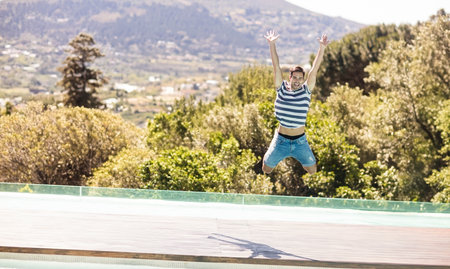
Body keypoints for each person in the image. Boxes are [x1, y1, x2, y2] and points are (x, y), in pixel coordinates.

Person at [262, 29, 329, 175]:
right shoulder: (281, 88)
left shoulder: (306, 91)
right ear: (290, 77)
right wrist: (272, 45)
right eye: (295, 77)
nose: (298, 81)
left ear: (303, 79)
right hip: (281, 141)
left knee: (312, 170)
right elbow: (276, 67)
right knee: (266, 169)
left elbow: (314, 70)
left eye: (300, 78)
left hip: (300, 142)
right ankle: (278, 154)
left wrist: (322, 48)